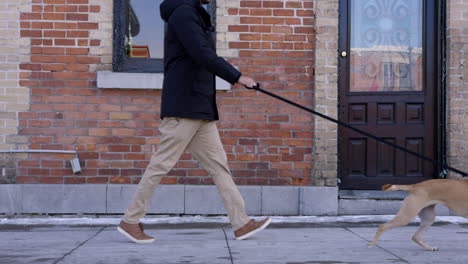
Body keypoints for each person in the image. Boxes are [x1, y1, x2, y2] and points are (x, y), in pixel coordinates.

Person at [117, 0, 271, 243]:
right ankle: (130, 220)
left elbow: (202, 56)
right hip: (184, 106)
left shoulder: (193, 14)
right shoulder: (183, 13)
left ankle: (241, 223)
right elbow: (201, 53)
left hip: (200, 107)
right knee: (160, 165)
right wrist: (237, 76)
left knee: (219, 166)